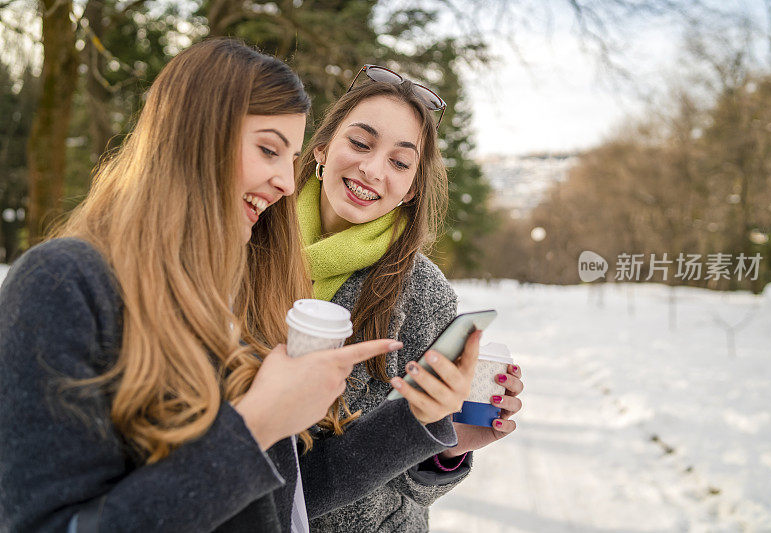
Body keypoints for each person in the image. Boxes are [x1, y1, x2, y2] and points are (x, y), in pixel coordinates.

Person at [0, 41, 479, 533]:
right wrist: (257, 425)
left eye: (400, 163)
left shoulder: (223, 291)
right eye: (269, 149)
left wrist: (415, 419)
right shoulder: (63, 284)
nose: (286, 183)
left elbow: (283, 494)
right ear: (195, 135)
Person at [295, 66, 525, 532]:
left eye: (400, 163)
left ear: (412, 187)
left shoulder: (422, 292)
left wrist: (450, 445)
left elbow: (413, 484)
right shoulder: (247, 242)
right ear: (322, 148)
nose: (373, 170)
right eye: (360, 143)